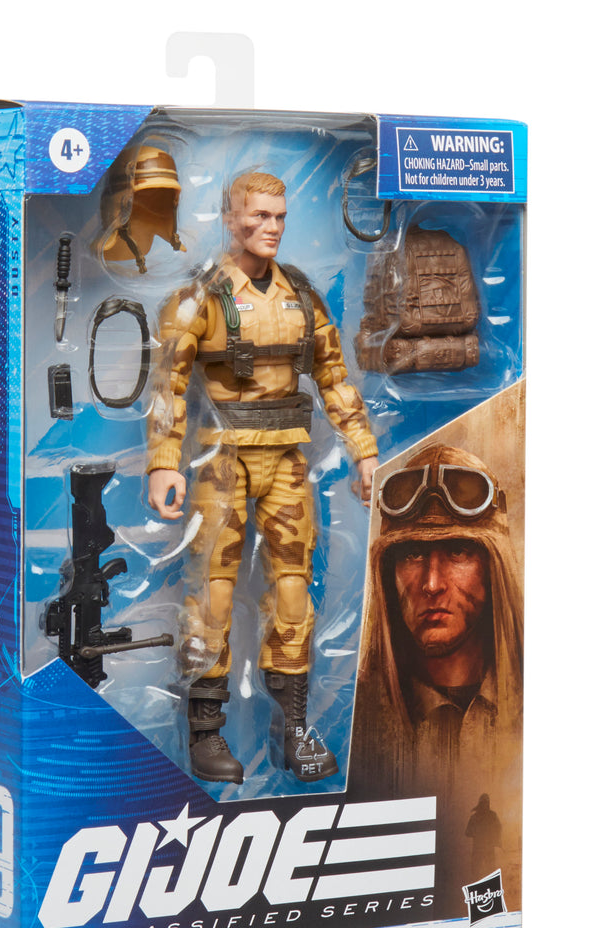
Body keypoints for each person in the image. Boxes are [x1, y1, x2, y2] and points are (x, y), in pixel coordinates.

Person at [147, 171, 378, 785]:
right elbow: (168, 384)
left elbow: (334, 378)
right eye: (258, 216)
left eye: (279, 216)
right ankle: (205, 729)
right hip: (221, 460)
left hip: (286, 460)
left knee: (294, 590)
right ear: (231, 218)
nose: (271, 227)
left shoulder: (300, 294)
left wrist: (363, 451)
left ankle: (293, 725)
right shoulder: (200, 297)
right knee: (214, 592)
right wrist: (164, 461)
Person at [350, 443, 523, 797]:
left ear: (494, 566)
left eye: (458, 552)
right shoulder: (353, 720)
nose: (431, 584)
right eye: (412, 554)